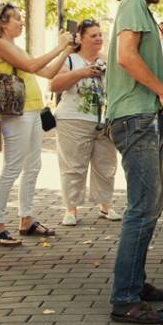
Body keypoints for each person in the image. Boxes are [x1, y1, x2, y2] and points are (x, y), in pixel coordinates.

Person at [106, 0, 163, 325]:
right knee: (142, 206)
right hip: (135, 117)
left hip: (141, 115)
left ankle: (135, 282)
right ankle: (125, 298)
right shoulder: (133, 3)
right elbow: (126, 57)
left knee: (152, 202)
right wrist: (162, 91)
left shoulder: (138, 8)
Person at [0, 2, 74, 246]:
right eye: (16, 18)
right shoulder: (0, 45)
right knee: (12, 167)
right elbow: (33, 66)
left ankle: (26, 218)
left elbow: (46, 73)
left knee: (33, 166)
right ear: (2, 22)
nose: (21, 22)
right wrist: (58, 46)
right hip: (17, 113)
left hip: (32, 109)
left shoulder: (16, 47)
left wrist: (66, 50)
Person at [49, 19, 120, 226]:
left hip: (103, 121)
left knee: (106, 165)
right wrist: (82, 73)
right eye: (93, 35)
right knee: (74, 166)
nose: (99, 38)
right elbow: (53, 84)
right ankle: (71, 209)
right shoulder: (71, 59)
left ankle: (105, 205)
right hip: (73, 119)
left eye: (100, 35)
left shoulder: (107, 60)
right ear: (81, 38)